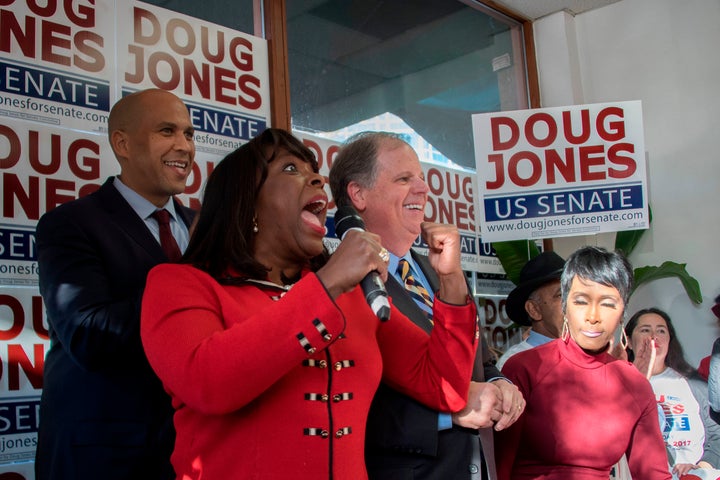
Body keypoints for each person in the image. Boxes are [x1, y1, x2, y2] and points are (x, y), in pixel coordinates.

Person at [139, 128, 479, 480]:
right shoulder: (179, 284)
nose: (317, 179)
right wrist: (328, 282)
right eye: (290, 169)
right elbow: (207, 383)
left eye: (314, 170)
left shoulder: (351, 295)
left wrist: (451, 281)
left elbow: (445, 388)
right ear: (247, 201)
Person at [329, 131, 525, 480]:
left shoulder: (440, 270)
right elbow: (343, 405)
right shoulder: (338, 281)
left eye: (421, 178)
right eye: (404, 179)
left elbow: (479, 360)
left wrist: (498, 382)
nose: (422, 189)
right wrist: (449, 411)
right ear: (358, 194)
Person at [35, 88, 197, 479]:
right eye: (167, 131)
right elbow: (88, 336)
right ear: (121, 143)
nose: (184, 146)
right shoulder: (69, 224)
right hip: (103, 460)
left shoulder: (207, 228)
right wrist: (189, 289)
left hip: (195, 451)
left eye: (189, 134)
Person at [495, 246, 671, 479]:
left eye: (608, 303)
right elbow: (498, 463)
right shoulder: (524, 367)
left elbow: (654, 474)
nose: (593, 316)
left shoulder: (635, 385)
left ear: (623, 313)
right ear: (566, 306)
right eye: (581, 301)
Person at [626, 307, 720, 477]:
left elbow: (717, 434)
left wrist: (703, 466)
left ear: (670, 340)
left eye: (661, 331)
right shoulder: (616, 384)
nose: (654, 336)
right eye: (645, 330)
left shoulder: (693, 383)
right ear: (629, 341)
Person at [496, 251, 565, 370]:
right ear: (533, 310)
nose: (573, 303)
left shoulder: (588, 353)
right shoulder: (514, 364)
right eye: (560, 295)